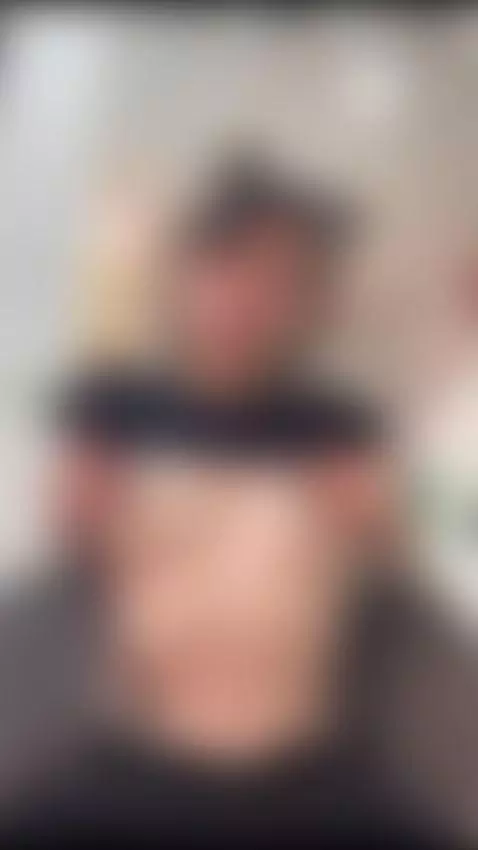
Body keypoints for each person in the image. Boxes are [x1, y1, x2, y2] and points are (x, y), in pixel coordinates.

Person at [2, 159, 473, 841]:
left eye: (288, 283)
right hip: (139, 762)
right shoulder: (111, 410)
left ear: (313, 307)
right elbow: (65, 568)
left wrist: (379, 533)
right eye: (236, 269)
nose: (254, 302)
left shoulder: (341, 427)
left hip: (302, 771)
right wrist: (81, 523)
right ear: (187, 273)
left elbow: (398, 580)